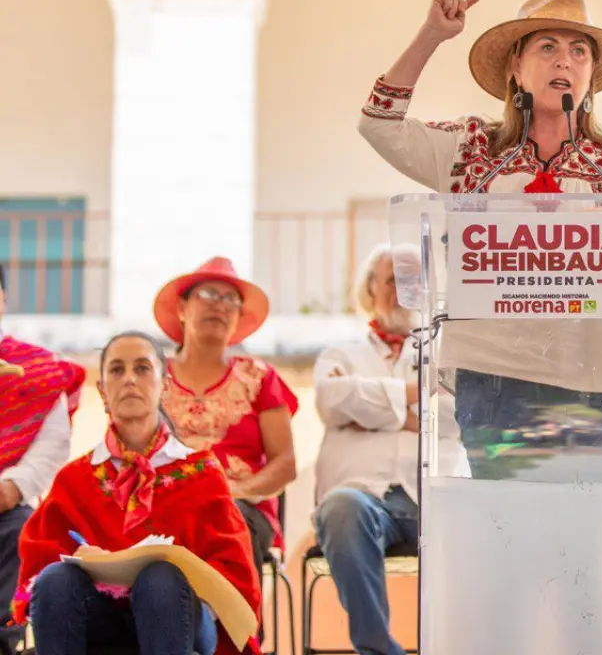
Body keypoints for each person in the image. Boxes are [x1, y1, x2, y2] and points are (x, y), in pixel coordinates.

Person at [357, 0, 602, 482]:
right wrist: (432, 36)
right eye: (548, 47)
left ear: (590, 77)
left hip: (595, 374)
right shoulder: (470, 148)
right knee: (511, 534)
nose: (564, 59)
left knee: (580, 538)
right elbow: (378, 123)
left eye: (578, 51)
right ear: (516, 67)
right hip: (496, 376)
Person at [11, 331, 261, 655]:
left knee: (159, 580)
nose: (129, 379)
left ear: (165, 386)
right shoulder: (74, 480)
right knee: (56, 580)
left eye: (142, 368)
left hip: (181, 616)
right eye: (116, 370)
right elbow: (41, 559)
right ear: (102, 391)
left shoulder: (202, 475)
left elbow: (233, 573)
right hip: (97, 616)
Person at [312, 244, 469, 655]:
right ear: (370, 288)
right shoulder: (341, 353)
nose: (405, 289)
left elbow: (462, 413)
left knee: (486, 520)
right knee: (340, 508)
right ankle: (379, 650)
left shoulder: (449, 355)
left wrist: (371, 408)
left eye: (415, 280)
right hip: (363, 495)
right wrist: (411, 403)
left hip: (437, 496)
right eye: (394, 279)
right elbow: (333, 400)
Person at [155, 257, 299, 574]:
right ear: (182, 307)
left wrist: (232, 492)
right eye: (208, 294)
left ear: (238, 318)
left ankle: (233, 624)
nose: (219, 305)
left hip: (241, 509)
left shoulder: (259, 377)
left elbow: (285, 464)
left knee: (223, 521)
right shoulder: (150, 375)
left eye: (230, 299)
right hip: (164, 508)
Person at [0, 262, 87, 655]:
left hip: (4, 504)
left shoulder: (40, 370)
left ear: (2, 299)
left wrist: (10, 487)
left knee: (20, 529)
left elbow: (52, 445)